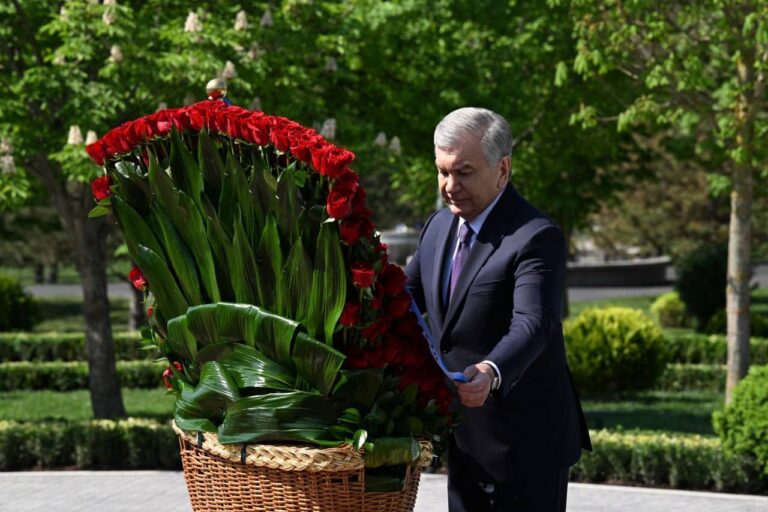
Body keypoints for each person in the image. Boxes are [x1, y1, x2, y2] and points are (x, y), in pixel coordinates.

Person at [405, 107, 591, 511]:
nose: (449, 185)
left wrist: (491, 371)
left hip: (526, 445)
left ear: (502, 170)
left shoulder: (536, 236)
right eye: (442, 171)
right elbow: (403, 300)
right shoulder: (437, 227)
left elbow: (534, 322)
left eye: (464, 172)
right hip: (464, 441)